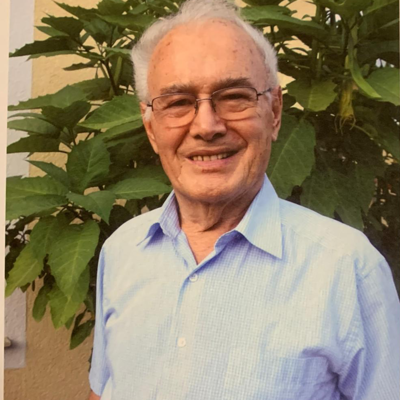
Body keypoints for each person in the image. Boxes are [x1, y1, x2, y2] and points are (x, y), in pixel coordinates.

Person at [88, 1, 400, 399]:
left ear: (274, 113)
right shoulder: (122, 252)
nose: (206, 126)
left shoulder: (348, 269)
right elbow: (105, 389)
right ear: (151, 128)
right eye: (178, 102)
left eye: (234, 96)